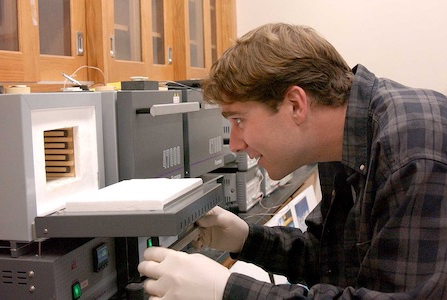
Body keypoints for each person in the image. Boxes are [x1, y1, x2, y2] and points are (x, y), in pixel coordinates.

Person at [138, 23, 447, 299]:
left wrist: (227, 291)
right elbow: (331, 261)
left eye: (239, 119)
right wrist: (246, 238)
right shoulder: (341, 141)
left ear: (296, 105)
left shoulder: (412, 153)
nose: (234, 144)